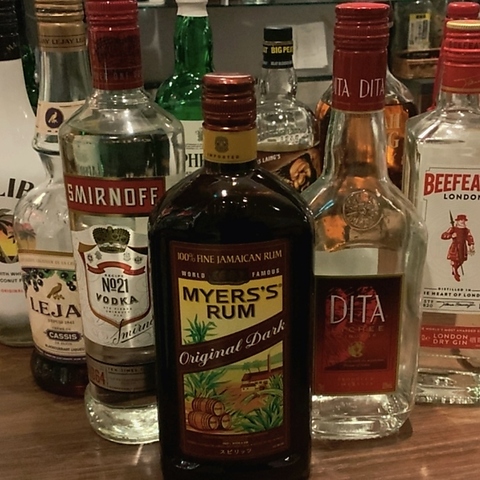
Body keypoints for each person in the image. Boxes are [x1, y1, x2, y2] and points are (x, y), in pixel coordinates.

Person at [441, 214, 475, 282]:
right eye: (461, 220)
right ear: (457, 221)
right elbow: (443, 235)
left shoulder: (466, 230)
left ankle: (455, 269)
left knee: (461, 260)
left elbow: (469, 237)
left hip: (463, 247)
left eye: (464, 220)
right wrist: (451, 235)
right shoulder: (453, 229)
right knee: (454, 259)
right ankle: (455, 271)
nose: (462, 221)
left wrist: (471, 244)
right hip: (455, 246)